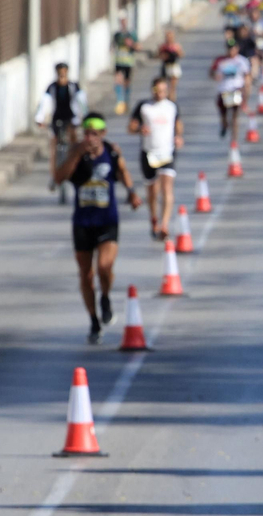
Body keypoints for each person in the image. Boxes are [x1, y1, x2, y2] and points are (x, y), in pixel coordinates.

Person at [53, 112, 142, 344]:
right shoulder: (76, 153)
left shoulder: (111, 152)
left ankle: (105, 296)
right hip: (82, 223)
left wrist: (132, 193)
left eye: (95, 134)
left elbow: (122, 171)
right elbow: (59, 178)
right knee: (86, 274)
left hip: (107, 220)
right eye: (87, 133)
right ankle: (93, 320)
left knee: (104, 266)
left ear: (103, 134)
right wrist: (75, 155)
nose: (90, 138)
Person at [127, 76, 183, 240]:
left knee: (167, 188)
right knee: (152, 191)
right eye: (157, 91)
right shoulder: (144, 107)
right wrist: (139, 130)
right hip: (148, 152)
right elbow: (131, 127)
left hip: (167, 152)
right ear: (153, 91)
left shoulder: (172, 106)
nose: (160, 94)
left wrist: (179, 136)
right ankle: (154, 219)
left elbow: (178, 124)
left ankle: (164, 224)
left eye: (163, 91)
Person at [33, 62, 87, 191]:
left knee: (75, 146)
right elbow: (44, 103)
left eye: (64, 74)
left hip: (71, 118)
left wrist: (84, 116)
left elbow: (82, 102)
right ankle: (54, 177)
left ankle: (76, 171)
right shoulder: (52, 87)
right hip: (56, 119)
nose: (61, 77)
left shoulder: (73, 86)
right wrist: (39, 119)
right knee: (54, 148)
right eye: (59, 74)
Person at [210, 38, 252, 139]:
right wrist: (215, 76)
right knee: (223, 114)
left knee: (235, 116)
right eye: (229, 49)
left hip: (236, 90)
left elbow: (247, 76)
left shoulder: (242, 61)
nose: (231, 51)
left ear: (237, 49)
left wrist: (246, 91)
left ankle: (234, 140)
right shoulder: (220, 60)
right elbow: (211, 72)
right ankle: (224, 124)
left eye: (233, 49)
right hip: (224, 90)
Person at [112, 17, 139, 115]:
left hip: (128, 62)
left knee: (126, 82)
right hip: (119, 61)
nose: (123, 23)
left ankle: (126, 101)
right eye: (121, 21)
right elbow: (112, 46)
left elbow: (138, 46)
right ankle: (120, 101)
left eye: (124, 21)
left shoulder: (131, 34)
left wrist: (131, 44)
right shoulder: (117, 34)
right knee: (118, 80)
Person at [157, 30, 184, 100]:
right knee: (165, 84)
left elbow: (181, 55)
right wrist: (163, 56)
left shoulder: (176, 46)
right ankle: (166, 97)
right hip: (166, 66)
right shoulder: (163, 46)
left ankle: (172, 99)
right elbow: (159, 55)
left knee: (173, 86)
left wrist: (177, 52)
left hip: (174, 66)